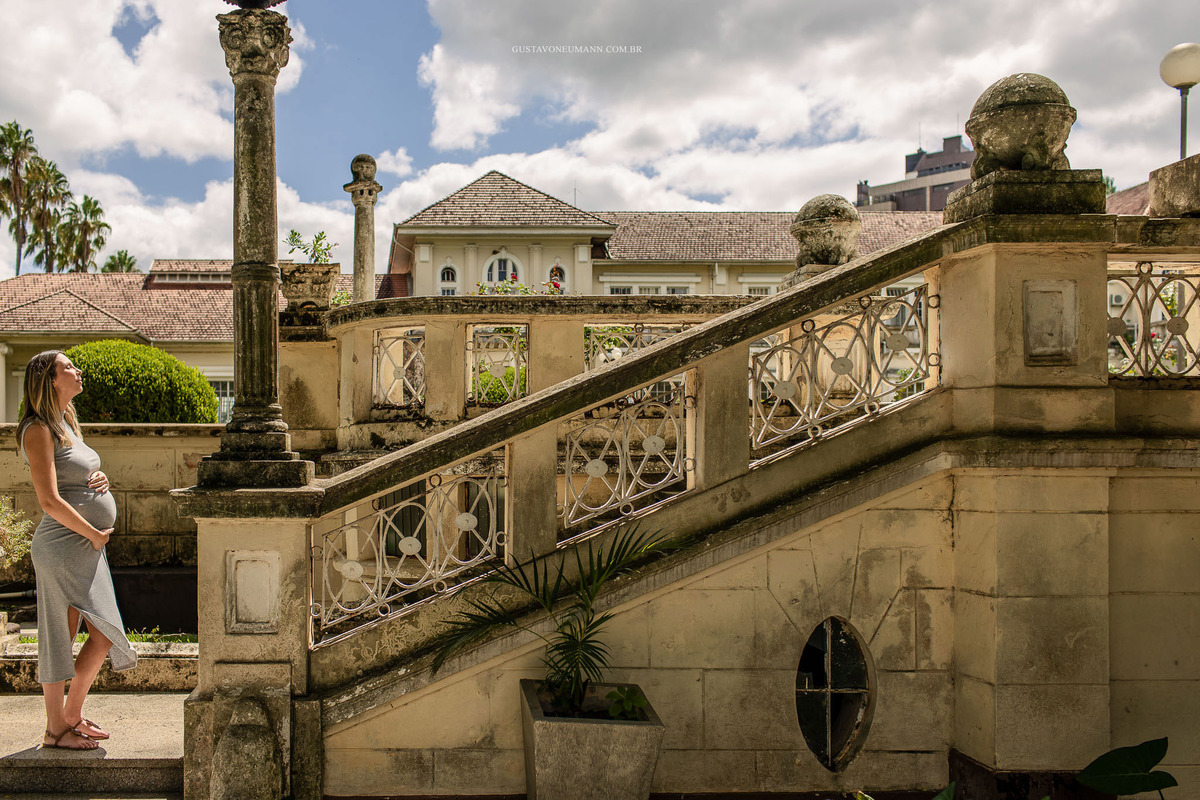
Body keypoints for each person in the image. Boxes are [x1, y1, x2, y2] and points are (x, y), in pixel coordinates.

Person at [17, 350, 137, 750]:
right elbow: (49, 500)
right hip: (64, 544)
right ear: (50, 379)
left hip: (84, 544)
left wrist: (97, 476)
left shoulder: (67, 423)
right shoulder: (37, 430)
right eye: (68, 367)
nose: (78, 370)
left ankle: (70, 717)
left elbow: (75, 476)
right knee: (60, 634)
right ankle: (56, 730)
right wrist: (94, 533)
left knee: (103, 633)